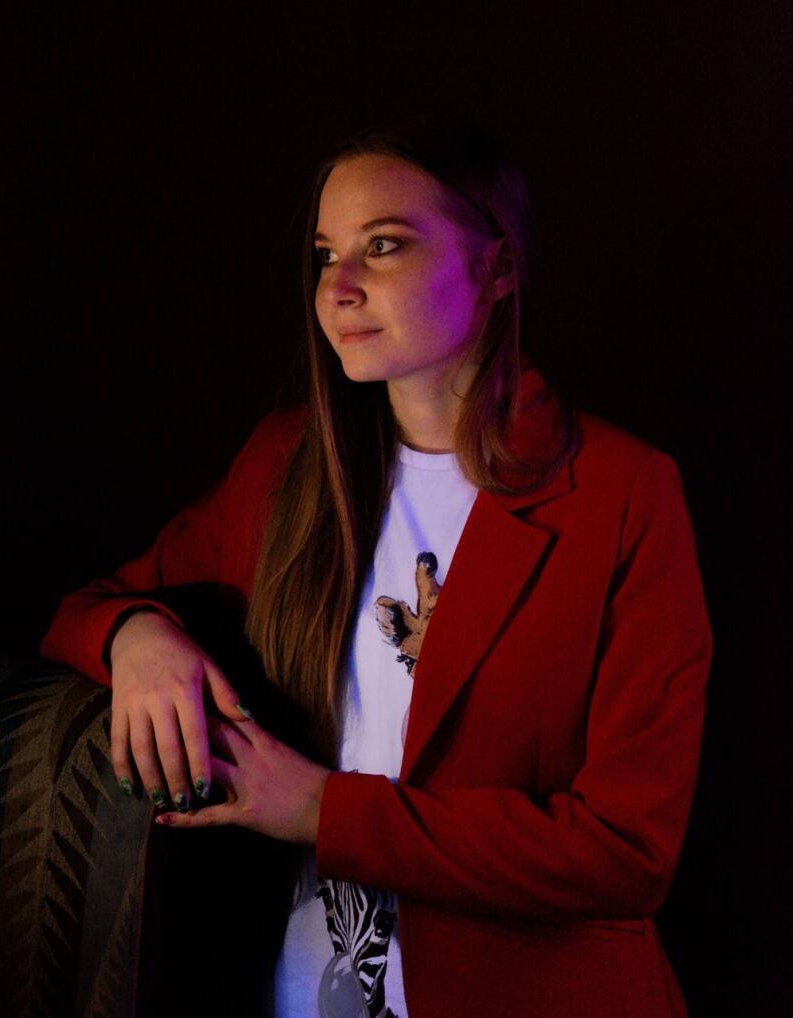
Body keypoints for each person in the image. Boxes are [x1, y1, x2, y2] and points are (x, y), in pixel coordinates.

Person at [39, 113, 713, 1018]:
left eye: (384, 247)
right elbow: (86, 607)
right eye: (326, 255)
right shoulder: (287, 469)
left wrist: (325, 810)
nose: (339, 288)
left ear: (500, 267)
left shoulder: (625, 495)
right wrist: (139, 638)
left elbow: (628, 849)